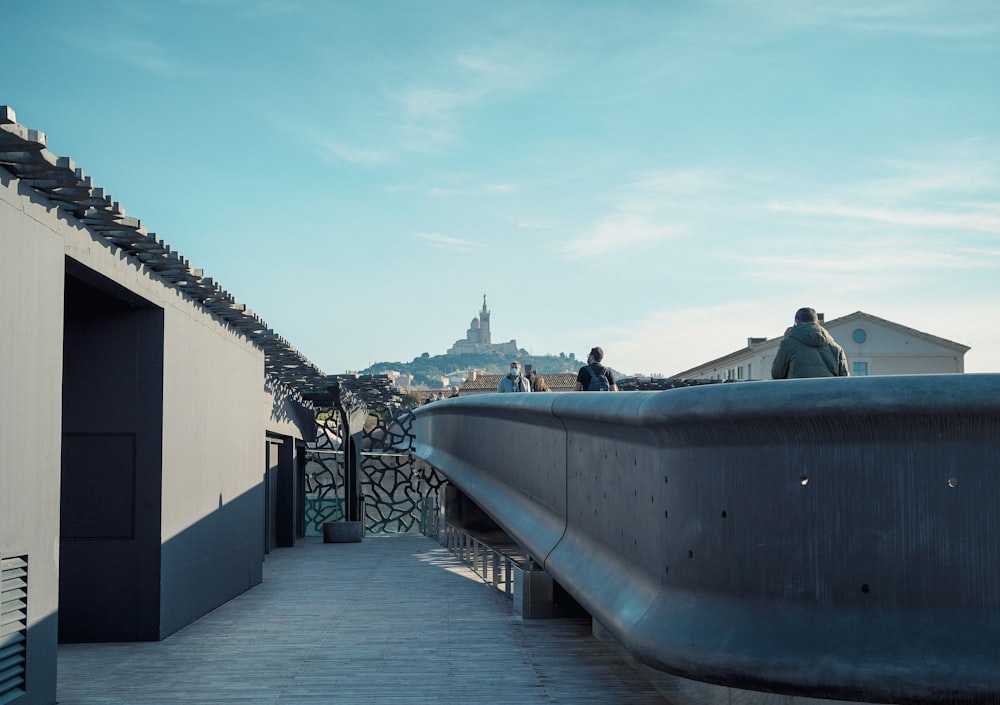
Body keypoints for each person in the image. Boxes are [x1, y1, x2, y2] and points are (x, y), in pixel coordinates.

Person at [771, 307, 850, 379]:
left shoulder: (788, 344)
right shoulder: (837, 349)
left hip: (798, 392)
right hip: (828, 393)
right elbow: (845, 381)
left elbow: (777, 375)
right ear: (817, 322)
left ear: (797, 320)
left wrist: (785, 341)